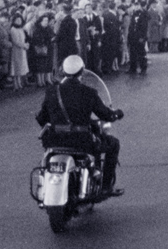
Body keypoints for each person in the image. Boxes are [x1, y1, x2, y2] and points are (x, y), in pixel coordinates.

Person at [35, 55, 124, 198]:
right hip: (82, 141)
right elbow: (105, 115)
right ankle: (106, 186)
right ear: (81, 72)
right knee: (113, 144)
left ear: (63, 71)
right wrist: (117, 114)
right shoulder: (89, 93)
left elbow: (42, 118)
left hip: (55, 141)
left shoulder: (52, 91)